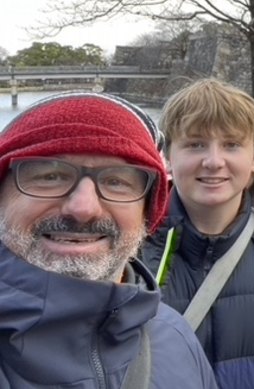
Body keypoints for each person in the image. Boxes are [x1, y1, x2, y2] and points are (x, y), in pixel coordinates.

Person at [0, 92, 218, 388]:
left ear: (147, 211)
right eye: (50, 176)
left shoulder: (176, 339)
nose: (83, 208)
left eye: (117, 181)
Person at [140, 78, 254, 389]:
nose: (213, 161)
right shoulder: (131, 256)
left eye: (232, 145)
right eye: (195, 144)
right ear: (168, 156)